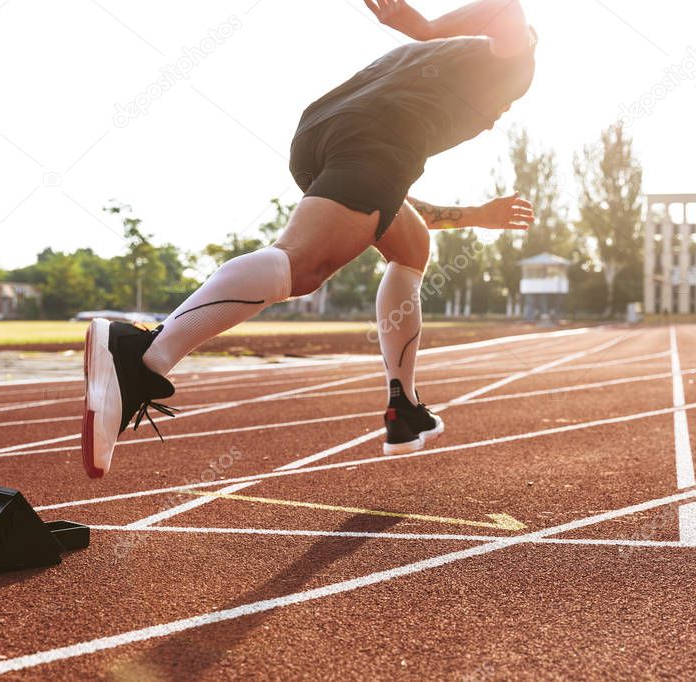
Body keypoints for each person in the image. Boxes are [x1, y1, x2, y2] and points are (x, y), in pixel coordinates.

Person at [81, 0, 539, 478]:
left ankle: (403, 406)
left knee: (412, 246)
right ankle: (142, 357)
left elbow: (379, 195)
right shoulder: (514, 64)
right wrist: (421, 26)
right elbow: (506, 9)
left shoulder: (425, 73)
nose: (500, 113)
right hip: (375, 137)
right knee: (302, 267)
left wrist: (475, 216)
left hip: (319, 136)